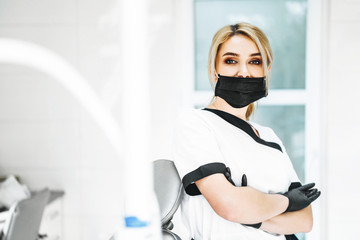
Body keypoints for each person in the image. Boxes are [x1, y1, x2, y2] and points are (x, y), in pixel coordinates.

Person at [172, 22, 321, 240]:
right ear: (214, 70)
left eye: (255, 61)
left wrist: (255, 215)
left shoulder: (270, 136)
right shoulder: (196, 123)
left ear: (266, 70)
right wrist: (287, 201)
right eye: (231, 61)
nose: (243, 71)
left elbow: (304, 220)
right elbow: (230, 206)